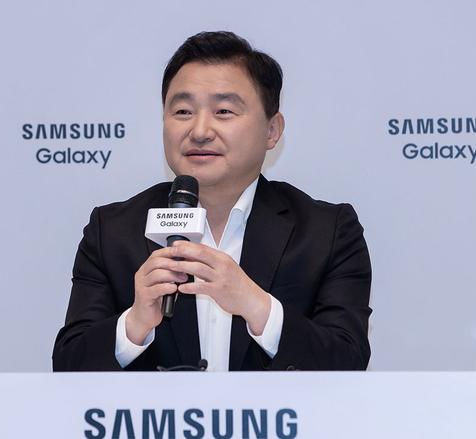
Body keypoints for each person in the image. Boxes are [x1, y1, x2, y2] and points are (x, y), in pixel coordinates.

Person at [52, 31, 371, 371]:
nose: (200, 131)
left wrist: (257, 306)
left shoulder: (326, 232)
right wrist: (134, 324)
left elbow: (348, 362)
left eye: (223, 111)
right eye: (183, 111)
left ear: (272, 131)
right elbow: (68, 368)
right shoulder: (112, 232)